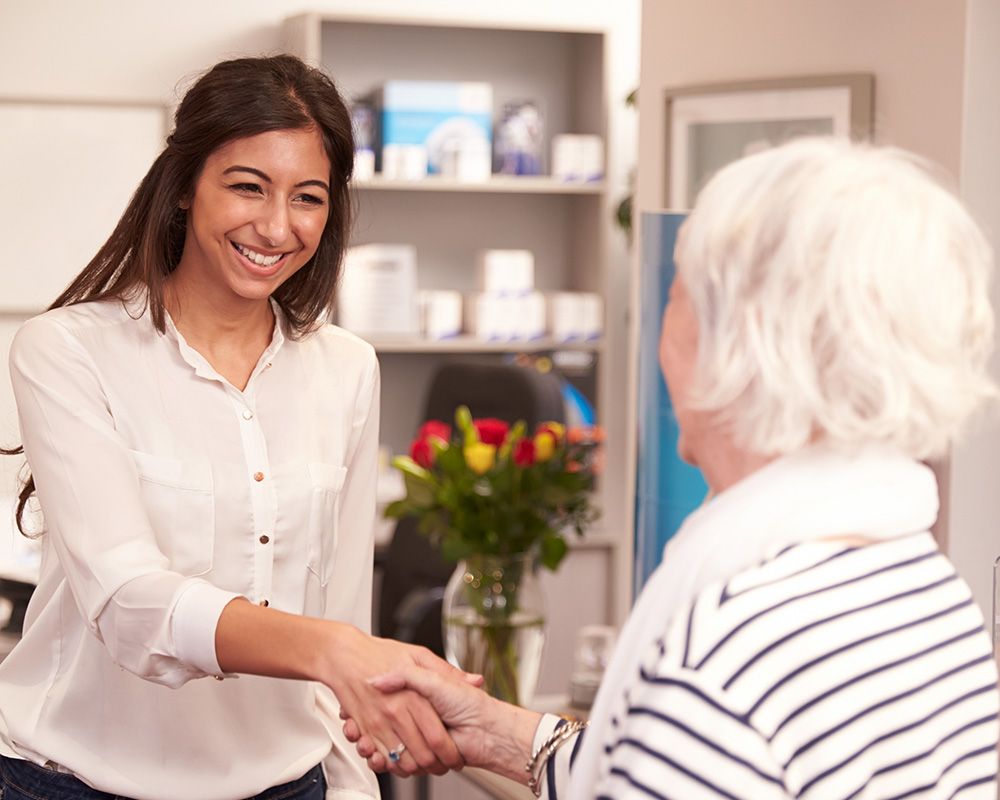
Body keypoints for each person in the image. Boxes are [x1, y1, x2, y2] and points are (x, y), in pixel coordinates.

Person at [344, 137, 1000, 798]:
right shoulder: (926, 588)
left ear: (740, 343)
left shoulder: (720, 657)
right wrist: (492, 730)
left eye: (678, 296)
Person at [0, 54, 473, 800]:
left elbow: (340, 603)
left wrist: (350, 785)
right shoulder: (66, 349)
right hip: (75, 781)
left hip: (287, 783)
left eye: (308, 197)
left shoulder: (347, 368)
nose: (277, 226)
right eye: (248, 186)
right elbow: (129, 602)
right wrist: (330, 649)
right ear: (186, 185)